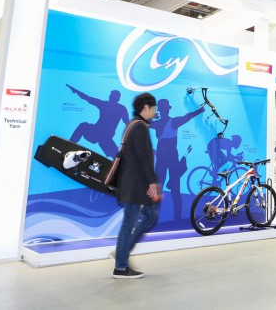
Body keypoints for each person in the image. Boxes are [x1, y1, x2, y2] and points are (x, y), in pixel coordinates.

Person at [113, 93, 161, 279]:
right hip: (134, 184)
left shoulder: (134, 124)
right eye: (154, 108)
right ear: (146, 107)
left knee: (151, 216)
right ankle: (120, 267)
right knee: (128, 224)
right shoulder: (139, 126)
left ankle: (122, 251)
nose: (155, 112)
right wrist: (152, 182)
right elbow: (144, 158)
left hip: (135, 183)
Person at [151, 99, 205, 221]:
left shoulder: (168, 122)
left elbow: (188, 117)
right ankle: (172, 219)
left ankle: (166, 218)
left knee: (171, 189)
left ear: (165, 109)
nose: (163, 110)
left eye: (163, 108)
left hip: (166, 157)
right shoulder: (164, 122)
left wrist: (199, 111)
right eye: (162, 108)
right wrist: (199, 111)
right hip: (168, 157)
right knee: (170, 189)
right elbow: (143, 123)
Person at [67, 85, 129, 159]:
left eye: (113, 97)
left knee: (113, 152)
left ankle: (118, 159)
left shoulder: (121, 108)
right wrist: (76, 91)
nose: (111, 98)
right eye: (111, 96)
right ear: (110, 97)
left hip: (105, 136)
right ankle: (70, 145)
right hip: (96, 132)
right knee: (83, 125)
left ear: (118, 99)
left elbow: (127, 123)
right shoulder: (104, 104)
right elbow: (87, 98)